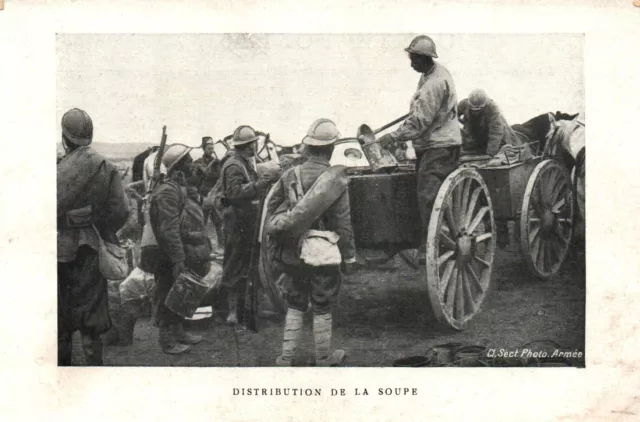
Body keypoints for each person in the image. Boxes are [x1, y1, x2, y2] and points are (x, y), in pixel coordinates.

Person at [267, 118, 357, 367]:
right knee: (322, 303)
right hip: (322, 251)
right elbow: (343, 223)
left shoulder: (289, 175)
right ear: (330, 148)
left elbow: (272, 210)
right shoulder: (336, 178)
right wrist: (349, 256)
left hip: (293, 250)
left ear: (308, 147)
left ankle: (286, 357)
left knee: (295, 301)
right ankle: (323, 358)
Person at [377, 35, 462, 264]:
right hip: (435, 145)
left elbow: (419, 123)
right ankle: (423, 238)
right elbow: (421, 113)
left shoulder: (433, 84)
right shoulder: (431, 74)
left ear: (423, 59)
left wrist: (393, 137)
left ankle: (430, 245)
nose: (411, 62)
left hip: (440, 147)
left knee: (427, 196)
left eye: (413, 58)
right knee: (420, 192)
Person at [57, 108, 129, 365]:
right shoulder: (105, 166)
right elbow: (121, 211)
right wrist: (101, 228)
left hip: (56, 251)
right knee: (91, 313)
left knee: (59, 316)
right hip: (90, 248)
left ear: (65, 137)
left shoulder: (56, 167)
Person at [148, 144, 212, 354]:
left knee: (180, 293)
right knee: (168, 293)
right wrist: (178, 259)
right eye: (189, 161)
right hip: (167, 253)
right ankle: (167, 340)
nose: (193, 165)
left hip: (176, 251)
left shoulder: (179, 187)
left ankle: (179, 331)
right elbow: (169, 229)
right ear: (178, 167)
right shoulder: (168, 192)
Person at [219, 126, 278, 325]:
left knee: (252, 265)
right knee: (234, 265)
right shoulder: (234, 165)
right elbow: (234, 193)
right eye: (253, 143)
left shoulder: (244, 162)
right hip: (237, 223)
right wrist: (260, 184)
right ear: (249, 145)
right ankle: (233, 311)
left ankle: (254, 308)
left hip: (247, 222)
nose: (255, 146)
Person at [458, 89, 524, 157]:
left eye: (478, 110)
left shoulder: (493, 109)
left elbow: (495, 133)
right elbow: (452, 115)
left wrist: (490, 154)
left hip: (494, 133)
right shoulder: (464, 103)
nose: (475, 112)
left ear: (484, 105)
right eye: (472, 109)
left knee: (502, 149)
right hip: (475, 131)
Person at [194, 136, 224, 248]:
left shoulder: (218, 163)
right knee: (202, 222)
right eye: (209, 148)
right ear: (203, 148)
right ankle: (201, 246)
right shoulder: (198, 162)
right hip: (203, 196)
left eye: (212, 148)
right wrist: (213, 164)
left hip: (215, 196)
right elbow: (205, 172)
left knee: (218, 222)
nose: (211, 151)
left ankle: (222, 246)